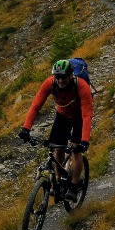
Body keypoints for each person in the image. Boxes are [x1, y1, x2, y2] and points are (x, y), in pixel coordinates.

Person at [18, 60, 94, 198]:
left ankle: (73, 186)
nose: (60, 80)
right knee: (57, 148)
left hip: (79, 117)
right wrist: (26, 128)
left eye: (63, 77)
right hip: (62, 115)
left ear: (71, 75)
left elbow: (87, 115)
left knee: (76, 151)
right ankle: (59, 182)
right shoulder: (49, 83)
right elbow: (35, 106)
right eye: (57, 77)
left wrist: (84, 141)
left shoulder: (82, 87)